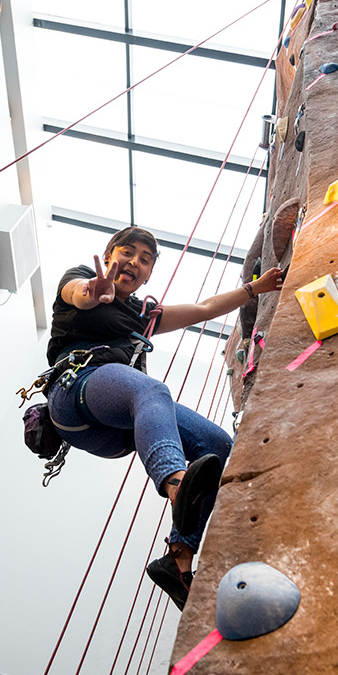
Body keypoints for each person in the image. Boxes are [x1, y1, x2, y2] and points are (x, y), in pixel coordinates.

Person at [45, 227, 283, 610]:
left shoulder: (143, 314)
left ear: (149, 275)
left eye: (145, 260)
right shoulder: (77, 279)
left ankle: (178, 559)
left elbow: (205, 309)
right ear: (109, 255)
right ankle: (176, 481)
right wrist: (93, 292)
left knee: (219, 446)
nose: (134, 263)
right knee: (152, 388)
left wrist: (257, 288)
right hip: (76, 394)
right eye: (127, 252)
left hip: (118, 426)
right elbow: (79, 294)